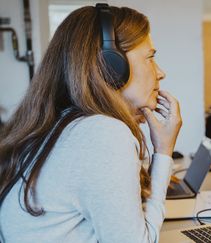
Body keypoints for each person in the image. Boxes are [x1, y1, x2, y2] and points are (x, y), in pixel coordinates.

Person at [0, 4, 182, 243]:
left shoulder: (66, 124)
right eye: (150, 58)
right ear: (112, 66)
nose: (160, 73)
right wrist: (164, 152)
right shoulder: (102, 133)